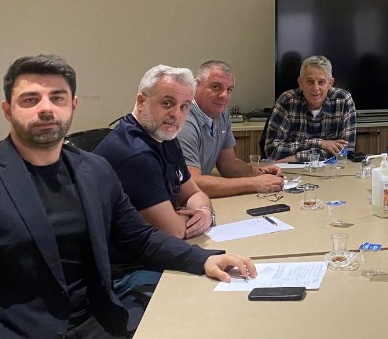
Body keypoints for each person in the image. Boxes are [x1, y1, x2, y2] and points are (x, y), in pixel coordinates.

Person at [0, 55, 255, 338]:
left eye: (57, 98)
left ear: (72, 106)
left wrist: (202, 259)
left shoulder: (95, 170)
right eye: (30, 99)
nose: (46, 108)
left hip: (94, 320)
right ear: (7, 110)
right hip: (13, 329)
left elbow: (140, 238)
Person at [93, 64, 216, 314]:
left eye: (184, 107)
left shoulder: (165, 137)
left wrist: (204, 212)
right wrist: (191, 216)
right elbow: (173, 231)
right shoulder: (133, 153)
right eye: (167, 103)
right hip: (125, 272)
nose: (176, 115)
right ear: (141, 101)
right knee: (208, 296)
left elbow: (194, 193)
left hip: (150, 254)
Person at [178, 60, 284, 198]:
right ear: (196, 85)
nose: (224, 95)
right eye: (216, 87)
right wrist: (253, 183)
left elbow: (228, 163)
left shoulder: (221, 113)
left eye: (229, 89)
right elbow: (191, 183)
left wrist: (260, 172)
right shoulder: (184, 120)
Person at [263, 55, 357, 162]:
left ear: (330, 83)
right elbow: (272, 150)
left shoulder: (344, 100)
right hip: (290, 169)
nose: (315, 88)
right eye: (310, 82)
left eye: (321, 82)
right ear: (300, 83)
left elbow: (346, 152)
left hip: (328, 168)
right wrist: (320, 143)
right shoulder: (286, 101)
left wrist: (296, 157)